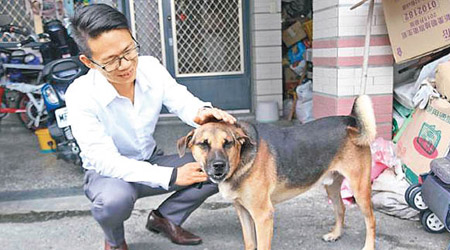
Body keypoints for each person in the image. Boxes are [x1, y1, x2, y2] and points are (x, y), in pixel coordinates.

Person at [65, 4, 236, 250]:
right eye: (111, 61)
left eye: (128, 51)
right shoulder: (80, 94)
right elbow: (105, 161)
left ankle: (166, 218)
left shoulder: (150, 67)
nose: (125, 65)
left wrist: (201, 113)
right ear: (89, 62)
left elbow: (182, 101)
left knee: (218, 167)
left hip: (149, 159)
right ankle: (114, 241)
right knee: (113, 201)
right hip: (109, 176)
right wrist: (172, 175)